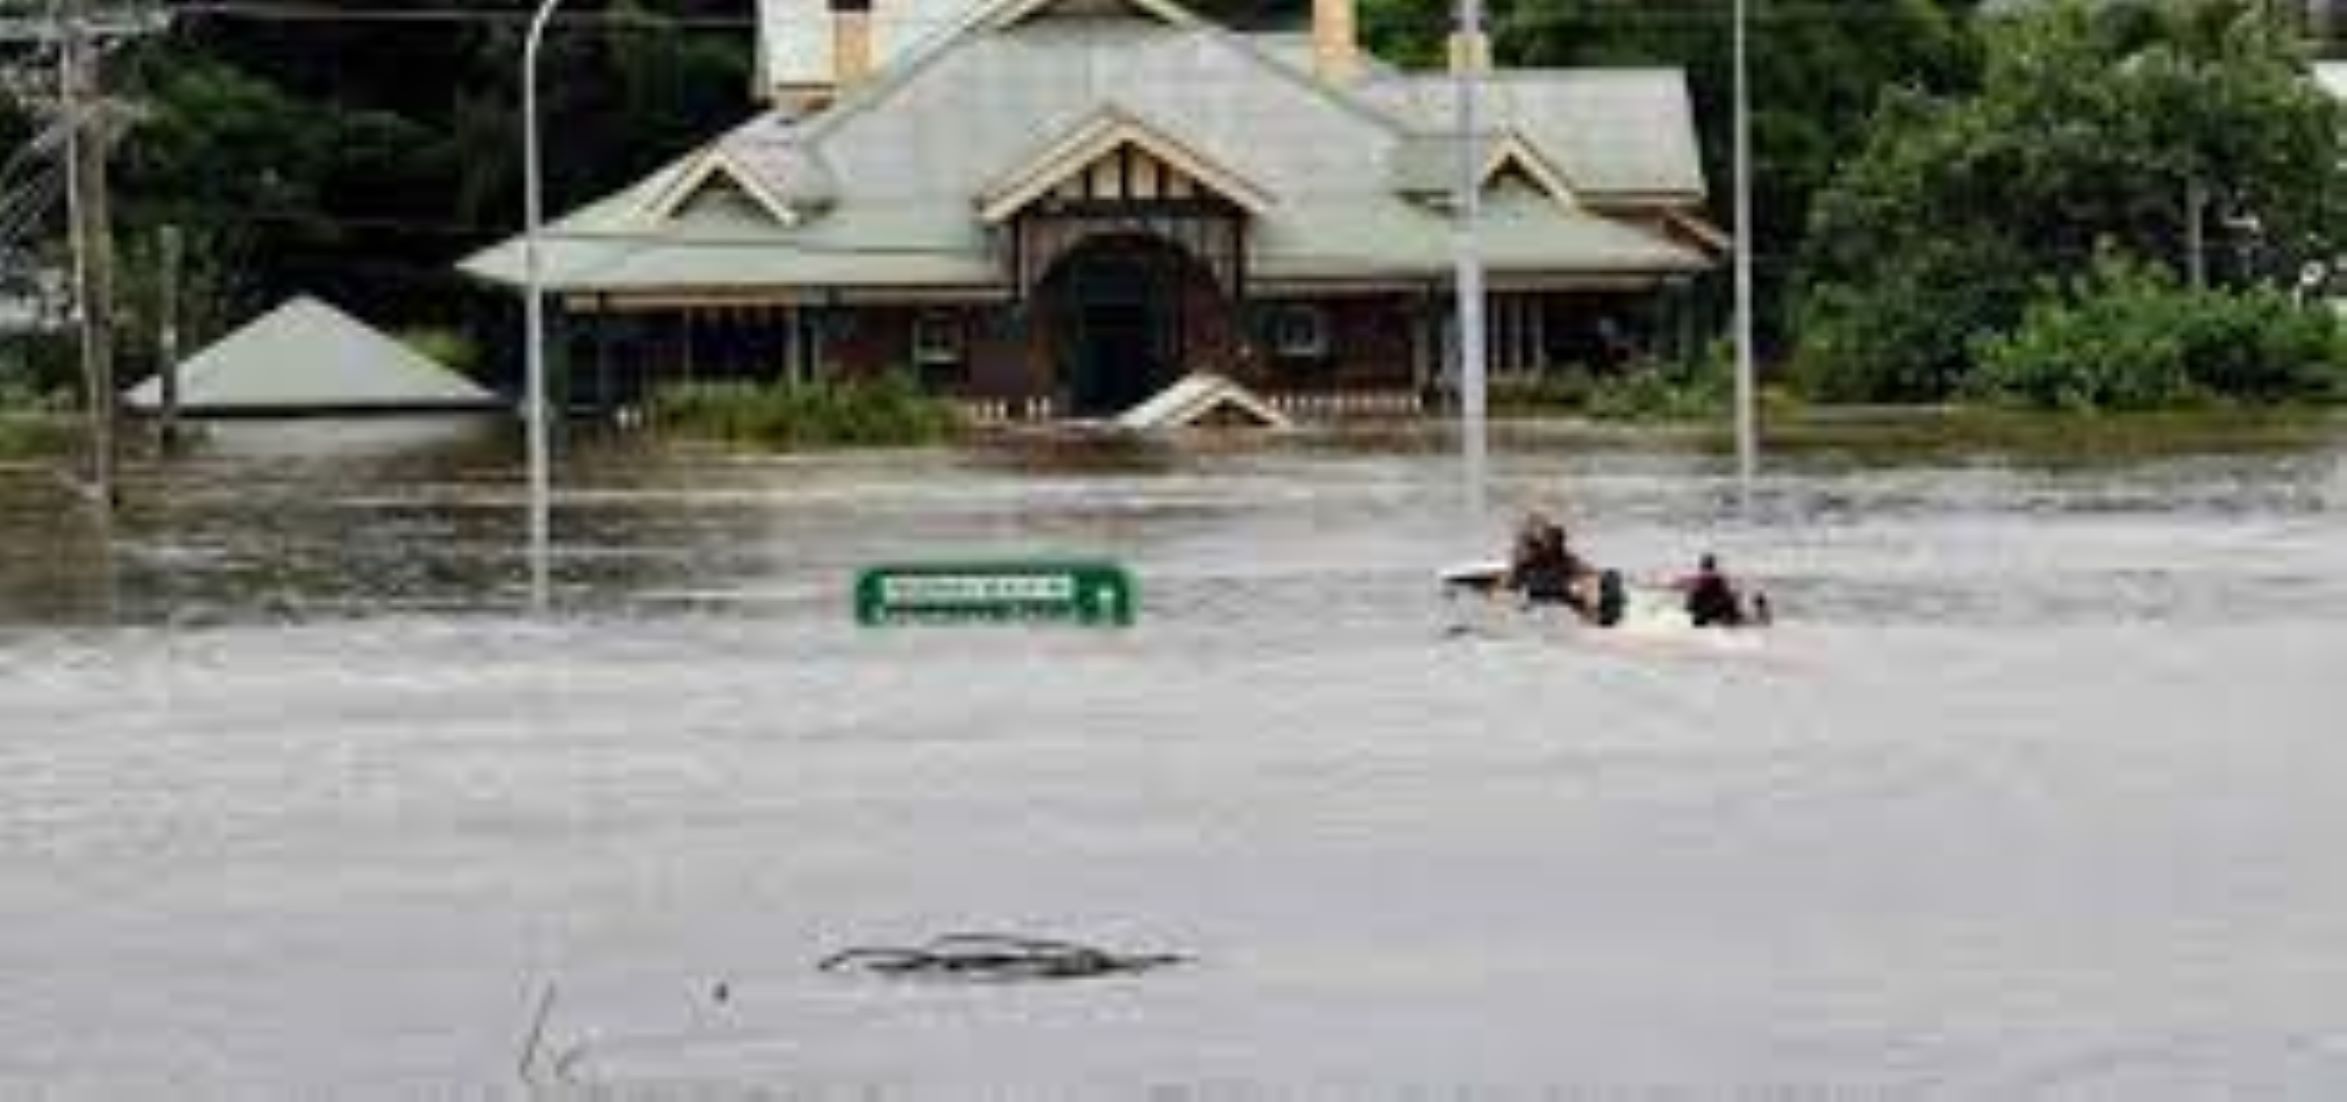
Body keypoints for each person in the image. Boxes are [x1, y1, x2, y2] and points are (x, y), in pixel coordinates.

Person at [1678, 552, 1748, 628]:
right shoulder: (1716, 578)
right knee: (1732, 597)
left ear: (1702, 565)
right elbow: (1725, 593)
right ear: (1713, 565)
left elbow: (1683, 585)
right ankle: (1732, 618)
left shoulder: (1697, 578)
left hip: (1702, 610)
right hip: (1711, 610)